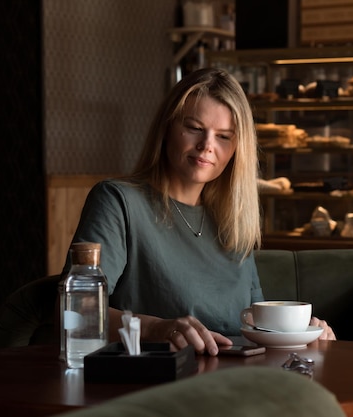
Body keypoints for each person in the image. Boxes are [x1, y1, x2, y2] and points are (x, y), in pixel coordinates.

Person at [63, 67, 335, 356]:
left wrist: (302, 334)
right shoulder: (118, 201)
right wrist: (157, 329)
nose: (207, 146)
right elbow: (76, 314)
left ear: (236, 149)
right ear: (167, 127)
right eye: (194, 128)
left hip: (236, 385)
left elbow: (253, 325)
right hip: (157, 386)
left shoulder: (234, 217)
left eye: (224, 136)